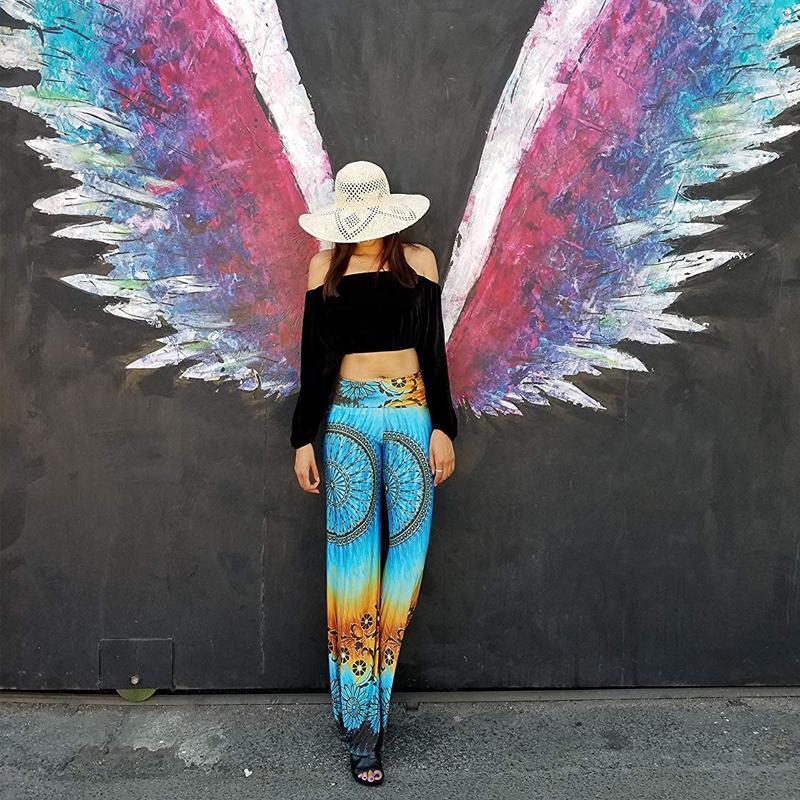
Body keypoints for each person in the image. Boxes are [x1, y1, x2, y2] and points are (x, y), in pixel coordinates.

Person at [290, 160, 458, 786]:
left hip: (413, 417)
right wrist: (302, 438)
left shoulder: (418, 262)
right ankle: (364, 727)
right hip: (347, 424)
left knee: (405, 565)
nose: (362, 230)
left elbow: (435, 352)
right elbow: (314, 361)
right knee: (352, 567)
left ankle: (371, 700)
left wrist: (444, 426)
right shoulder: (323, 269)